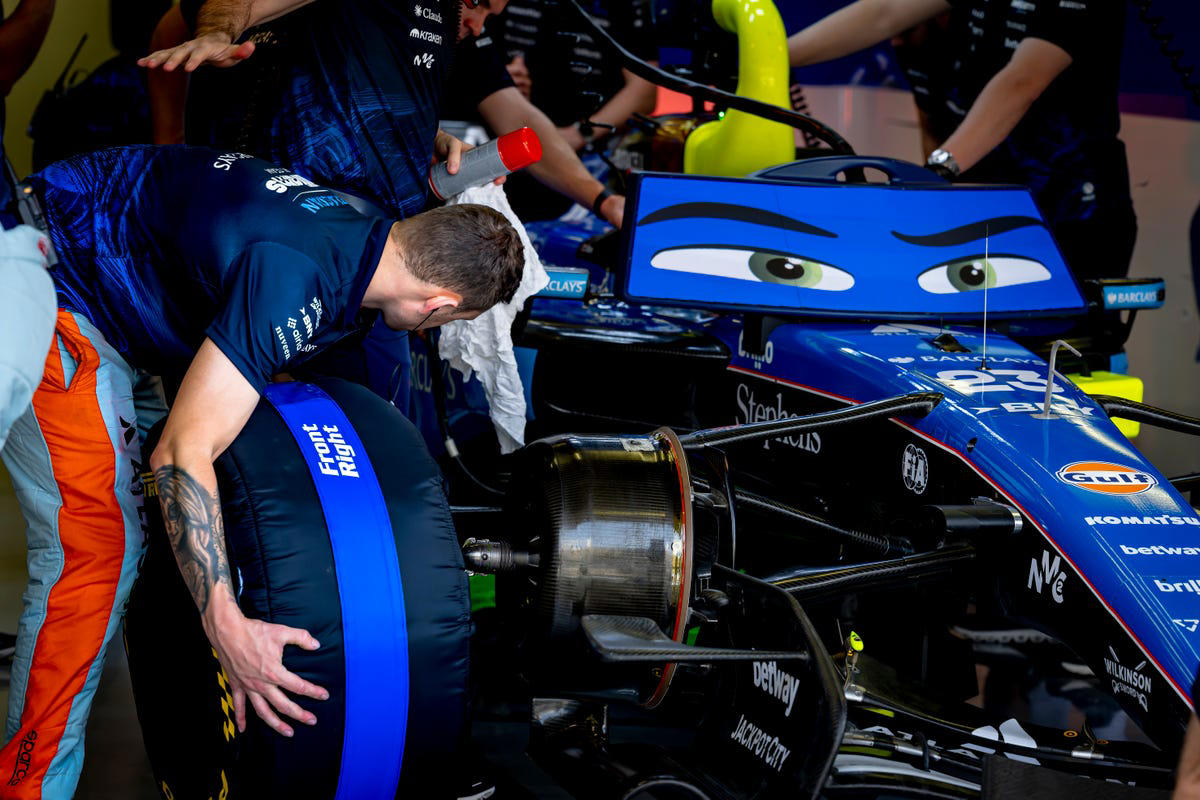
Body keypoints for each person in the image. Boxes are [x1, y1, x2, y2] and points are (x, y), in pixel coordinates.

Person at [0, 144, 523, 798]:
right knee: (98, 548)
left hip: (120, 283)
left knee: (172, 481)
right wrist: (225, 622)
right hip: (61, 281)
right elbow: (181, 453)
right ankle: (28, 785)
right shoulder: (296, 276)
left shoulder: (366, 227)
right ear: (438, 305)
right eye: (454, 323)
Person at [787, 0, 1136, 280]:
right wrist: (773, 53)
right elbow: (884, 12)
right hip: (982, 207)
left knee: (1071, 353)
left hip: (1072, 211)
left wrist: (936, 174)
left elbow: (1023, 82)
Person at [141, 0, 509, 218]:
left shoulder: (429, 22)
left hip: (378, 242)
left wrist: (429, 136)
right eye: (479, 4)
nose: (478, 27)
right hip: (289, 217)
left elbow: (369, 92)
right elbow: (205, 12)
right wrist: (216, 34)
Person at [492, 0, 658, 222]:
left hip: (592, 162)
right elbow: (471, 59)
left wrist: (580, 133)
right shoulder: (489, 14)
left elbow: (645, 93)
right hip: (504, 148)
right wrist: (501, 81)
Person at [446, 28, 626, 227]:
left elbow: (520, 122)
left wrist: (604, 201)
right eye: (478, 4)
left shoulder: (473, 38)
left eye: (489, 16)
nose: (478, 25)